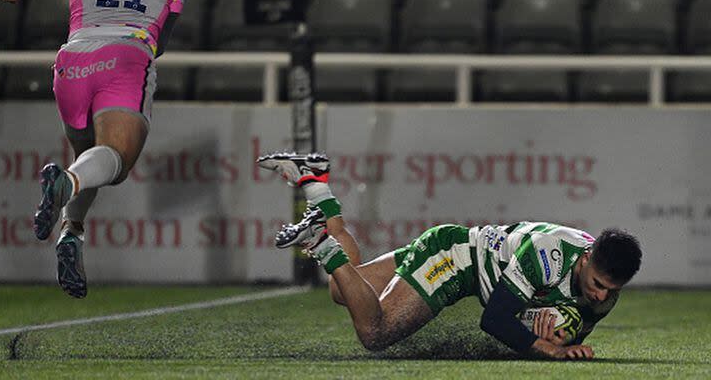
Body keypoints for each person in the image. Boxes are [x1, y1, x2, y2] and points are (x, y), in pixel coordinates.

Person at [257, 151, 642, 360]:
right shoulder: (548, 255)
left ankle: (316, 184)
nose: (600, 296)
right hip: (455, 260)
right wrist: (547, 348)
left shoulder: (604, 290)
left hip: (461, 251)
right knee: (375, 332)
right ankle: (322, 243)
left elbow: (562, 325)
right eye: (596, 285)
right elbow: (495, 320)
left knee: (344, 291)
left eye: (610, 291)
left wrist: (561, 338)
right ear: (585, 258)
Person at [0, 0, 188, 298]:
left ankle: (72, 233)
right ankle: (64, 188)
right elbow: (165, 37)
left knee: (89, 160)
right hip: (126, 54)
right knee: (115, 161)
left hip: (73, 60)